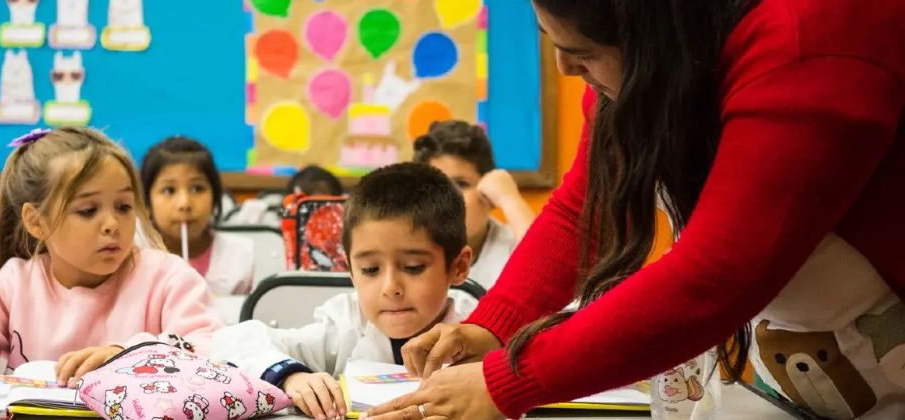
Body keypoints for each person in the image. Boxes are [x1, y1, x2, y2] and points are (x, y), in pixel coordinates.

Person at [370, 0, 905, 419]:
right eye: (551, 42)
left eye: (584, 51)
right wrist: (493, 329)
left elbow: (714, 280)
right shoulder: (642, 71)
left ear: (655, 32)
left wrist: (508, 381)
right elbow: (584, 209)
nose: (563, 66)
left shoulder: (813, 43)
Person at [0, 128, 222, 396]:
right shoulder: (13, 283)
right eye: (88, 211)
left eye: (123, 206)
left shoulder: (168, 276)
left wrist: (131, 355)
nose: (112, 224)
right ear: (37, 222)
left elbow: (211, 348)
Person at [209, 163, 475, 419]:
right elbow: (232, 341)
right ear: (350, 270)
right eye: (370, 270)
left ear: (459, 266)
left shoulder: (480, 334)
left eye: (414, 267)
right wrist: (291, 376)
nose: (391, 287)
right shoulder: (344, 326)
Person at [413, 120, 535, 289]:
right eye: (435, 186)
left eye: (461, 184)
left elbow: (548, 264)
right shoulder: (409, 249)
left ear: (488, 190)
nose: (447, 197)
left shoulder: (513, 245)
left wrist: (510, 200)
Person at [141, 136, 256, 295]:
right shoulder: (133, 259)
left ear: (215, 197)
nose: (184, 204)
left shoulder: (241, 256)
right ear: (146, 203)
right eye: (169, 190)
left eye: (197, 189)